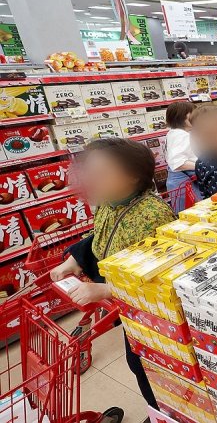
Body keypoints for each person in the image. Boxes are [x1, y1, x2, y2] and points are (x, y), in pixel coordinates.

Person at [50, 138, 175, 410]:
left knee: (149, 364)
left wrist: (105, 290)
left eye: (100, 173)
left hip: (152, 313)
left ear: (131, 177)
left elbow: (157, 274)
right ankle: (158, 410)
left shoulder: (152, 215)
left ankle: (166, 411)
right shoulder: (109, 204)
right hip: (127, 308)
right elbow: (101, 237)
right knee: (136, 361)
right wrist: (74, 259)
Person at [165, 101, 201, 211]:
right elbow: (178, 163)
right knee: (196, 212)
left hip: (181, 180)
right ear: (182, 117)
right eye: (192, 113)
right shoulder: (181, 135)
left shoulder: (174, 133)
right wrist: (203, 165)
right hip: (184, 181)